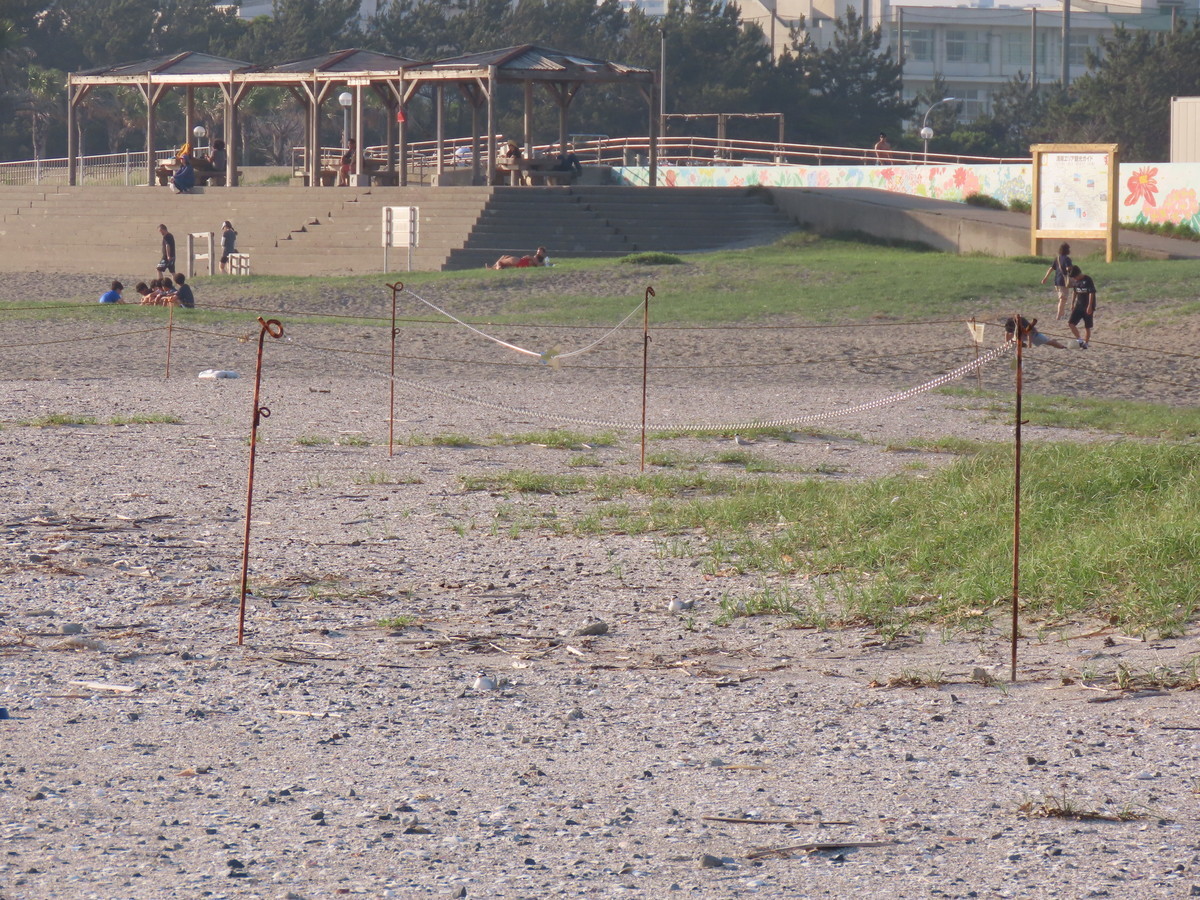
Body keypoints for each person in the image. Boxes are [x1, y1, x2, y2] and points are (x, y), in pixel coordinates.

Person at [1040, 242, 1073, 320]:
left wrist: (1045, 278)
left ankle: (1062, 313)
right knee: (1063, 299)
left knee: (1062, 298)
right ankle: (1058, 316)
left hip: (1057, 281)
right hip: (1063, 281)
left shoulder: (1057, 258)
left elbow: (1051, 268)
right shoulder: (1067, 259)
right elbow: (1068, 268)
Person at [1067, 265, 1096, 349]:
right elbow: (1075, 292)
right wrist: (1072, 303)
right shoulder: (1076, 282)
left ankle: (1086, 343)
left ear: (1078, 274)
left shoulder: (1088, 280)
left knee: (1087, 326)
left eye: (1075, 277)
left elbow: (1092, 293)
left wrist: (1090, 306)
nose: (1074, 279)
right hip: (1078, 306)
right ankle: (1079, 339)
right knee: (1071, 323)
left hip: (1088, 307)